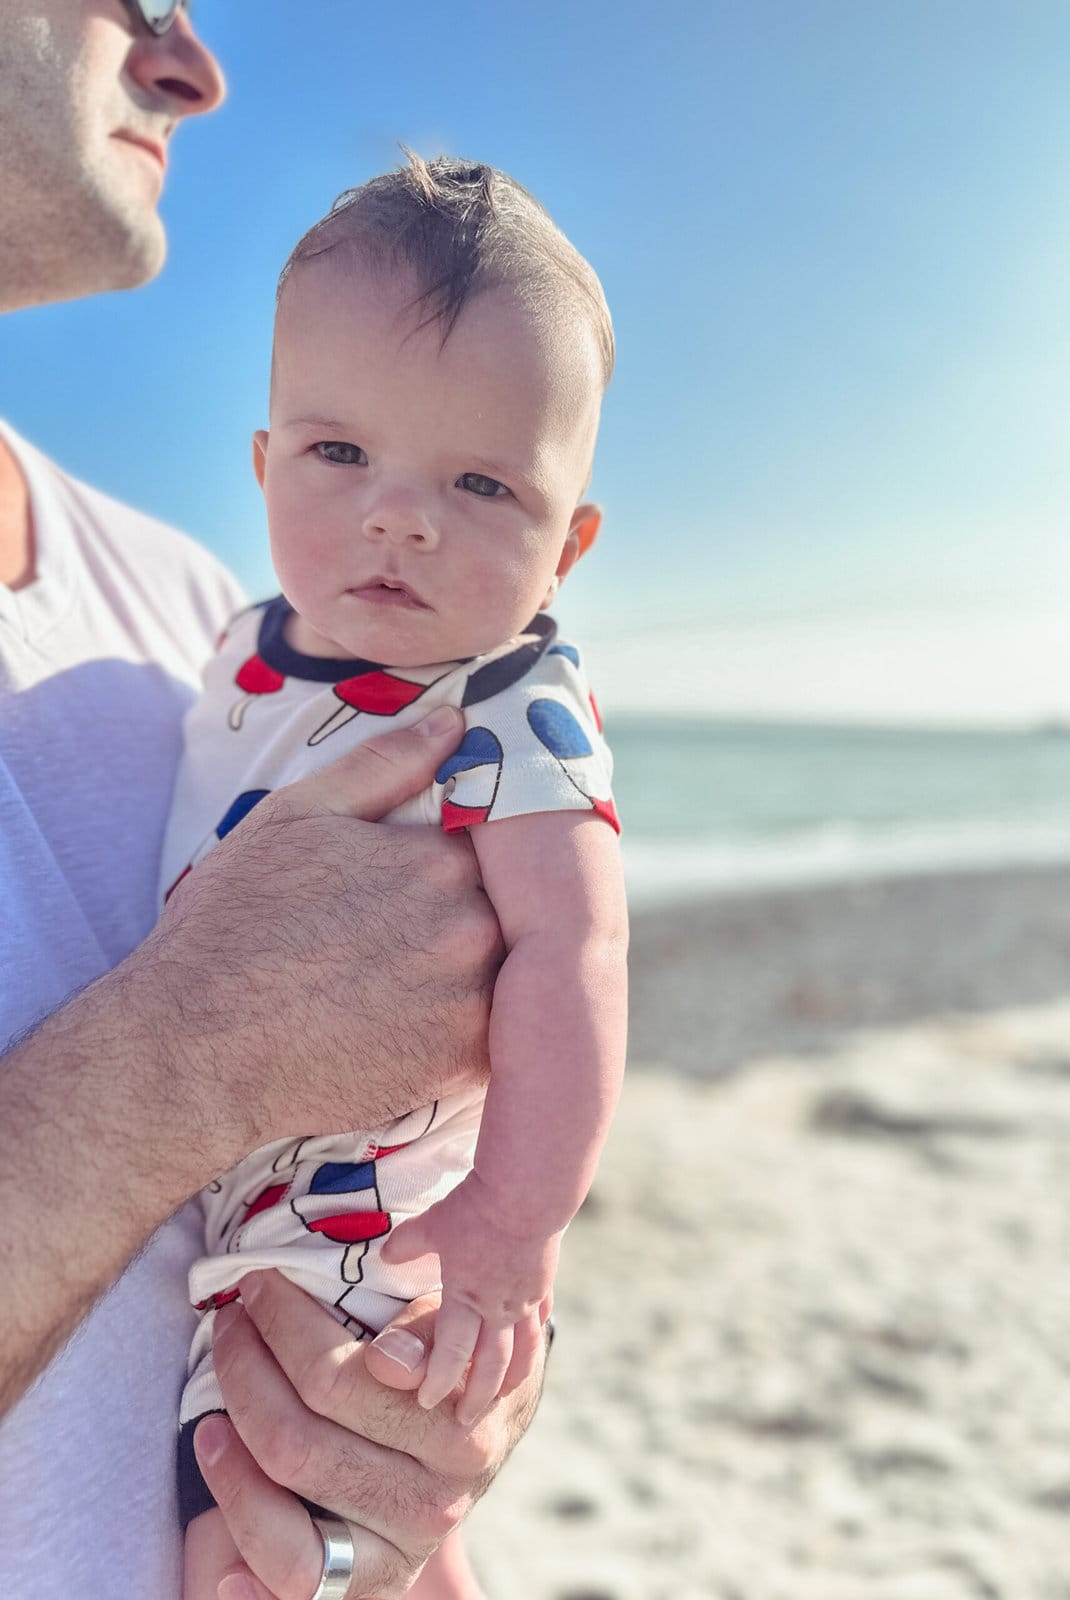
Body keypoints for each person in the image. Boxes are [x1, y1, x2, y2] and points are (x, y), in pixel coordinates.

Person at [0, 4, 551, 1597]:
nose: (193, 66)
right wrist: (187, 1055)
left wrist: (406, 1440)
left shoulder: (194, 611)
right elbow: (223, 1056)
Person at [167, 153, 629, 1600]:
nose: (400, 515)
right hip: (228, 1202)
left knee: (241, 1545)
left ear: (568, 545)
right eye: (338, 455)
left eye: (482, 482)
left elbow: (575, 954)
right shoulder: (235, 641)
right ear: (261, 467)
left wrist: (512, 1224)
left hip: (371, 1219)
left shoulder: (511, 695)